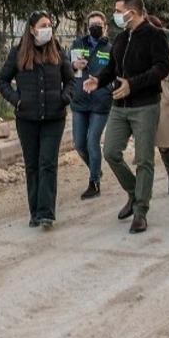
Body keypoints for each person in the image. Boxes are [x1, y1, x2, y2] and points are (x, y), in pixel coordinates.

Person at [84, 0, 169, 234]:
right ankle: (134, 192)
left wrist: (132, 84)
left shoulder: (155, 36)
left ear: (131, 12)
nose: (115, 15)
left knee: (144, 159)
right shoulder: (121, 38)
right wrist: (98, 81)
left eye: (117, 10)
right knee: (111, 152)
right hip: (119, 107)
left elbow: (162, 68)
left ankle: (141, 210)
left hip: (145, 105)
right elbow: (112, 68)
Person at [0, 11, 74, 229]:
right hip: (27, 119)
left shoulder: (58, 51)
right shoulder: (18, 53)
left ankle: (46, 213)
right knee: (32, 166)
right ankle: (35, 212)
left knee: (47, 163)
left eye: (49, 25)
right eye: (43, 25)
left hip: (54, 118)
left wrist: (64, 98)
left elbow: (71, 81)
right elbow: (2, 80)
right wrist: (16, 100)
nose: (47, 28)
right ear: (32, 29)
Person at [69, 11, 113, 199]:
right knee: (79, 144)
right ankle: (96, 168)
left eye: (99, 25)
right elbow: (66, 65)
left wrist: (107, 88)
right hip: (79, 101)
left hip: (100, 102)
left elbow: (115, 73)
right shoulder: (78, 44)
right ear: (87, 27)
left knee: (92, 141)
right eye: (92, 25)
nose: (95, 28)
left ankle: (94, 182)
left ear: (105, 27)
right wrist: (73, 65)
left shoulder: (111, 49)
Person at [146, 15, 169, 195]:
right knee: (144, 146)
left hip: (163, 99)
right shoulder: (138, 50)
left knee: (164, 144)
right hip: (143, 98)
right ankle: (145, 186)